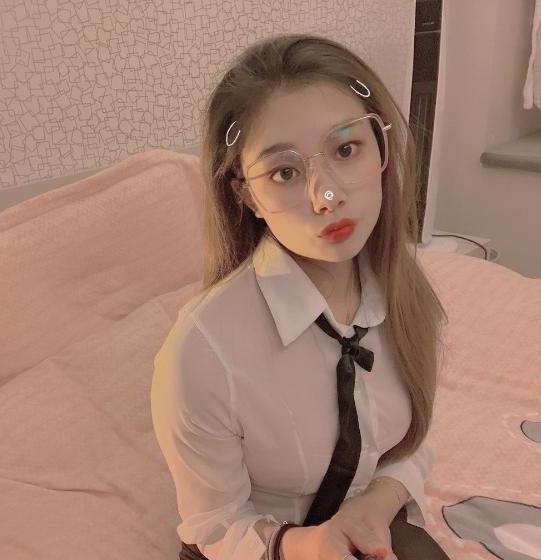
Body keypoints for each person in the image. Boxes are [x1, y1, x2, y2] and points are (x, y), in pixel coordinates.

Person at [150, 33, 451, 560]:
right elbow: (214, 525)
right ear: (246, 195)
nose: (327, 195)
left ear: (381, 146)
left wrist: (375, 504)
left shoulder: (405, 293)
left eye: (346, 149)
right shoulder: (202, 351)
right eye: (284, 172)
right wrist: (308, 544)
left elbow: (415, 438)